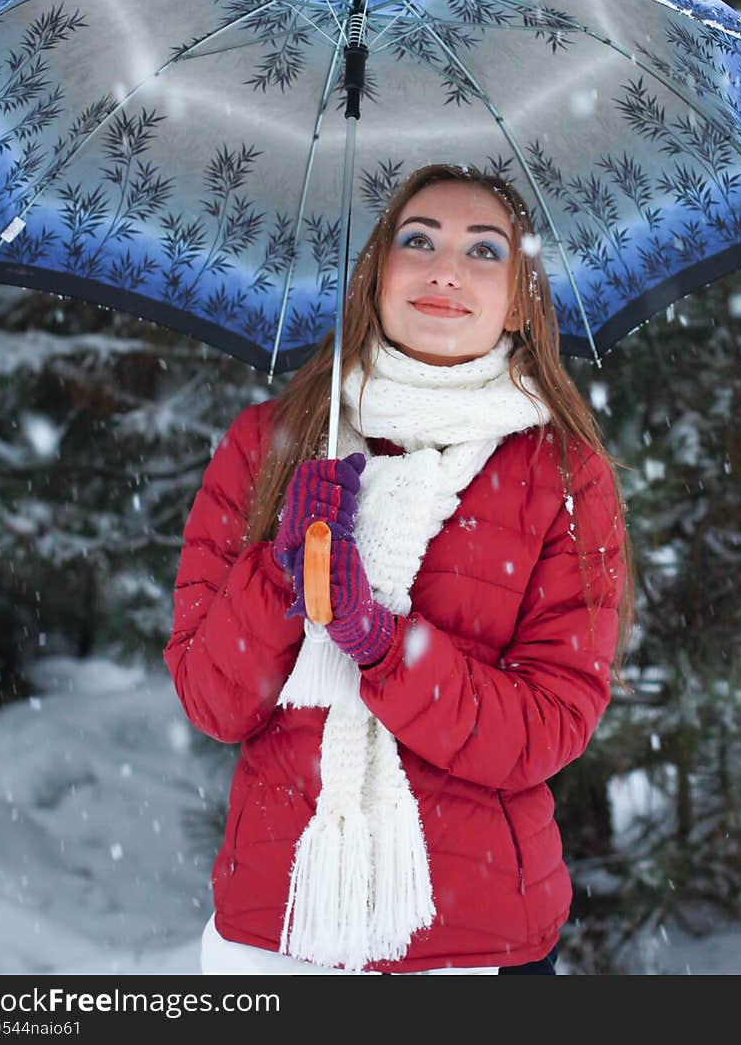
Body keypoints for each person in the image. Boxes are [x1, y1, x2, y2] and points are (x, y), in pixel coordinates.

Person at [164, 162, 634, 976]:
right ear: (376, 275)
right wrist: (285, 570)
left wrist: (382, 645)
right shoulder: (270, 444)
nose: (445, 270)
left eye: (485, 251)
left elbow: (550, 724)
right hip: (276, 937)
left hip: (473, 947)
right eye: (417, 241)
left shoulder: (562, 472)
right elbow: (213, 700)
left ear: (522, 299)